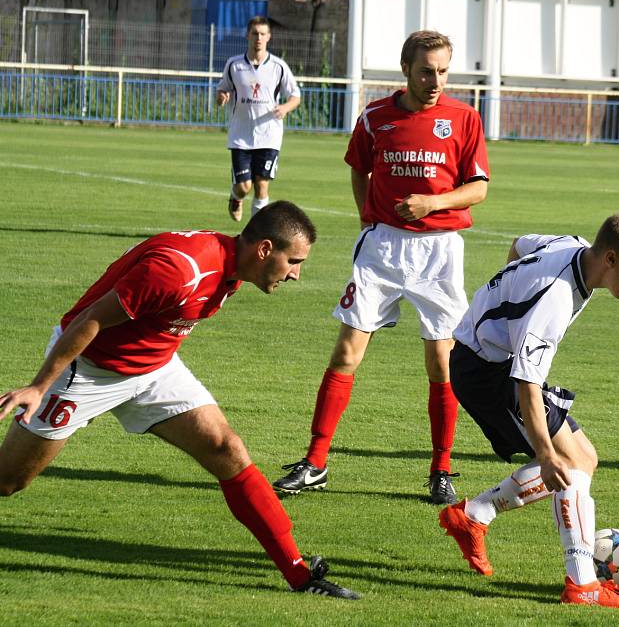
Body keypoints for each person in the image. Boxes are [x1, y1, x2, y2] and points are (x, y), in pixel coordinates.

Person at [0, 201, 358, 600]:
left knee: (228, 448)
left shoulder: (233, 269)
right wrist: (38, 385)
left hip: (155, 369)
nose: (296, 273)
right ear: (264, 250)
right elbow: (90, 321)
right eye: (293, 260)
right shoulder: (181, 270)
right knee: (9, 480)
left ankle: (300, 575)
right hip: (86, 369)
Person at [272, 30, 490, 505]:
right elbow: (358, 166)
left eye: (443, 71)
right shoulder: (375, 116)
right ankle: (315, 462)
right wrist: (367, 216)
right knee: (347, 352)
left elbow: (478, 189)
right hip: (383, 250)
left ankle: (441, 469)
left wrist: (434, 203)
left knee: (441, 362)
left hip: (439, 251)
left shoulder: (464, 118)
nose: (435, 81)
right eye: (426, 70)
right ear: (406, 68)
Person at [438, 211, 619, 609]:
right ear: (610, 259)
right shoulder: (553, 300)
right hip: (486, 374)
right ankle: (582, 585)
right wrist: (545, 455)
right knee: (569, 464)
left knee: (584, 459)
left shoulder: (571, 245)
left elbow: (520, 245)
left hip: (490, 361)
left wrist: (506, 298)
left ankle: (474, 514)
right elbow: (527, 383)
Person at [217, 16, 302, 222]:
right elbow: (222, 89)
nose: (259, 38)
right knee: (244, 186)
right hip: (241, 135)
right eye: (255, 33)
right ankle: (236, 197)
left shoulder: (278, 66)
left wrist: (285, 107)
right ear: (248, 35)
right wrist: (221, 97)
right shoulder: (234, 65)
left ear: (269, 37)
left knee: (262, 184)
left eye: (263, 34)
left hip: (269, 135)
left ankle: (255, 233)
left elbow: (295, 95)